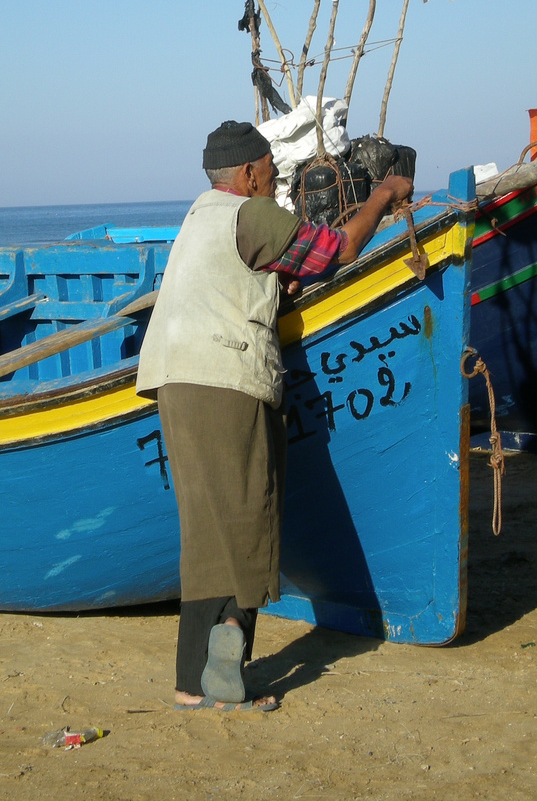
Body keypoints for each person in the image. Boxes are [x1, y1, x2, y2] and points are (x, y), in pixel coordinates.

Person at [136, 120, 412, 712]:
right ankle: (232, 636)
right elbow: (334, 252)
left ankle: (192, 684)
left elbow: (255, 277)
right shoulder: (251, 215)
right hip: (226, 379)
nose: (276, 181)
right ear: (248, 173)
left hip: (172, 379)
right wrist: (384, 196)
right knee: (251, 512)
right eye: (271, 171)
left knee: (206, 528)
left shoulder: (197, 218)